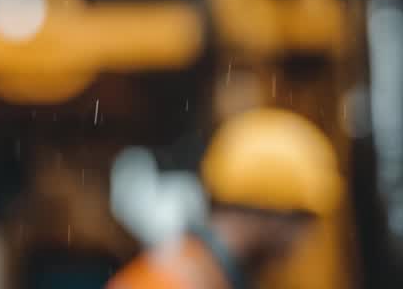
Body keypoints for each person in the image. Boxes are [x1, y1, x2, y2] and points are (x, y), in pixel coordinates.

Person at [107, 108, 341, 289]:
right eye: (304, 220)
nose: (305, 239)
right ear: (269, 210)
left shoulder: (199, 274)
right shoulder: (175, 281)